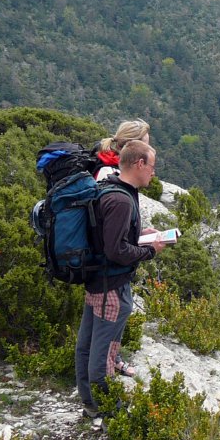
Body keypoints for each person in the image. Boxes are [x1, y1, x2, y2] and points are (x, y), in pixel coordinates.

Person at [76, 140, 167, 419]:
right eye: (151, 166)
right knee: (104, 354)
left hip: (98, 281)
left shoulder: (111, 186)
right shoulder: (120, 199)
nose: (153, 173)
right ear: (139, 164)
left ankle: (90, 404)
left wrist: (139, 235)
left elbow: (109, 239)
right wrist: (149, 250)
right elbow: (116, 250)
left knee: (86, 346)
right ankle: (110, 414)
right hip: (112, 287)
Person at [92, 119, 152, 377]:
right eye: (144, 146)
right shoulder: (113, 182)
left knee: (98, 337)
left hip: (109, 271)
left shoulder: (112, 175)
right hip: (109, 274)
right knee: (107, 327)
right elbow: (113, 244)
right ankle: (100, 394)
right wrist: (149, 250)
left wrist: (138, 235)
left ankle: (101, 374)